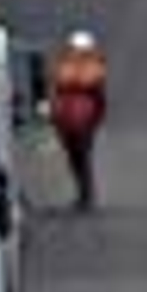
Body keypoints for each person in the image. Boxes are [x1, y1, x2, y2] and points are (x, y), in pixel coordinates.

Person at [49, 29, 108, 211]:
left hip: (74, 119)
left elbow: (59, 87)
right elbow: (99, 96)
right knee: (79, 157)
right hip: (75, 119)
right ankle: (85, 194)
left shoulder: (71, 66)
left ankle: (86, 195)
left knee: (79, 157)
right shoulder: (93, 65)